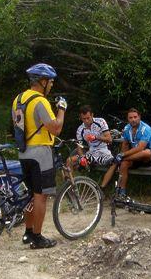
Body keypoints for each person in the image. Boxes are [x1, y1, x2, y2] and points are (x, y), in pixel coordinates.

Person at [12, 63, 66, 249]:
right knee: (40, 196)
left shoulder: (18, 99)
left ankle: (28, 232)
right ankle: (38, 236)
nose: (51, 85)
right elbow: (56, 128)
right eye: (50, 82)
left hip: (24, 152)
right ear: (42, 81)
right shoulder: (40, 101)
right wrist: (62, 109)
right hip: (41, 152)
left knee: (30, 194)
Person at [103, 108, 151, 199]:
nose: (133, 119)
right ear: (128, 119)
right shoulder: (127, 128)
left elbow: (140, 148)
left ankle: (121, 160)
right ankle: (122, 192)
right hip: (133, 158)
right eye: (130, 117)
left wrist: (122, 156)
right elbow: (125, 144)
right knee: (124, 164)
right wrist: (122, 153)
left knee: (147, 152)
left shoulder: (146, 128)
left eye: (135, 117)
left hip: (147, 157)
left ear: (139, 117)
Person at [67, 105, 114, 185]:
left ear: (92, 115)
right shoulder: (80, 129)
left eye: (88, 118)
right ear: (81, 118)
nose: (86, 121)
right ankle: (69, 186)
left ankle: (102, 187)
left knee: (114, 162)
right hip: (91, 153)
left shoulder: (100, 122)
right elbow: (79, 146)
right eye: (84, 119)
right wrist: (82, 157)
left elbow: (109, 139)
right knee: (69, 160)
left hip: (103, 151)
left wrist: (96, 137)